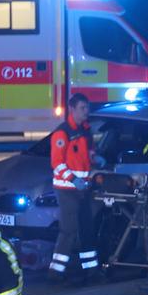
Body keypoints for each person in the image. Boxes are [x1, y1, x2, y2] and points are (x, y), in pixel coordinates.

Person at [48, 93, 101, 284]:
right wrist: (73, 178)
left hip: (83, 189)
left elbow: (88, 157)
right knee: (69, 230)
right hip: (67, 189)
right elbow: (57, 163)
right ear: (72, 109)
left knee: (87, 229)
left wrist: (96, 159)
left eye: (87, 108)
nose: (86, 112)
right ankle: (55, 272)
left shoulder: (86, 132)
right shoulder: (62, 133)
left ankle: (92, 271)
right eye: (82, 108)